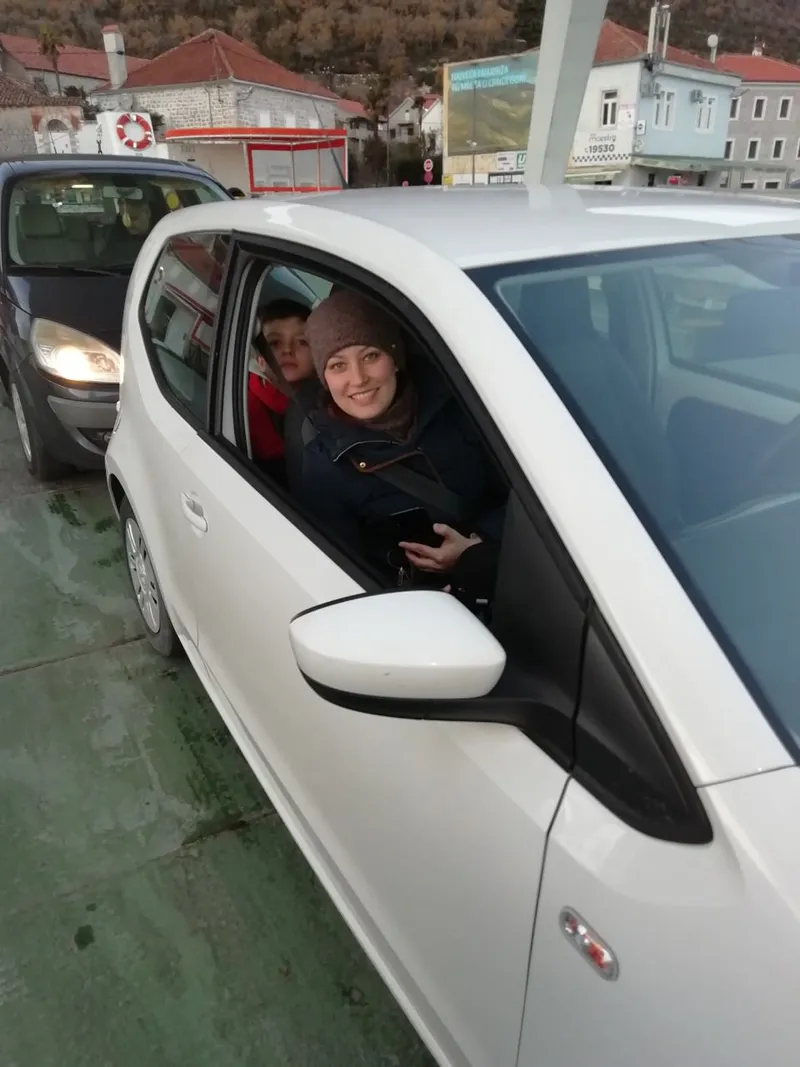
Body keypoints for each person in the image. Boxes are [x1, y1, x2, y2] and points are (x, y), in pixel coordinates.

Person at [301, 288, 507, 592]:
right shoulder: (325, 463)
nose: (358, 378)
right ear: (324, 378)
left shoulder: (460, 406)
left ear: (395, 358)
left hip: (508, 577)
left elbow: (522, 498)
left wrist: (478, 546)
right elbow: (342, 579)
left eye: (370, 356)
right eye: (338, 365)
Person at [248, 299, 316, 474]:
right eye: (275, 343)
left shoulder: (330, 393)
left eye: (302, 342)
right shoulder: (248, 407)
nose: (288, 350)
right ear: (259, 359)